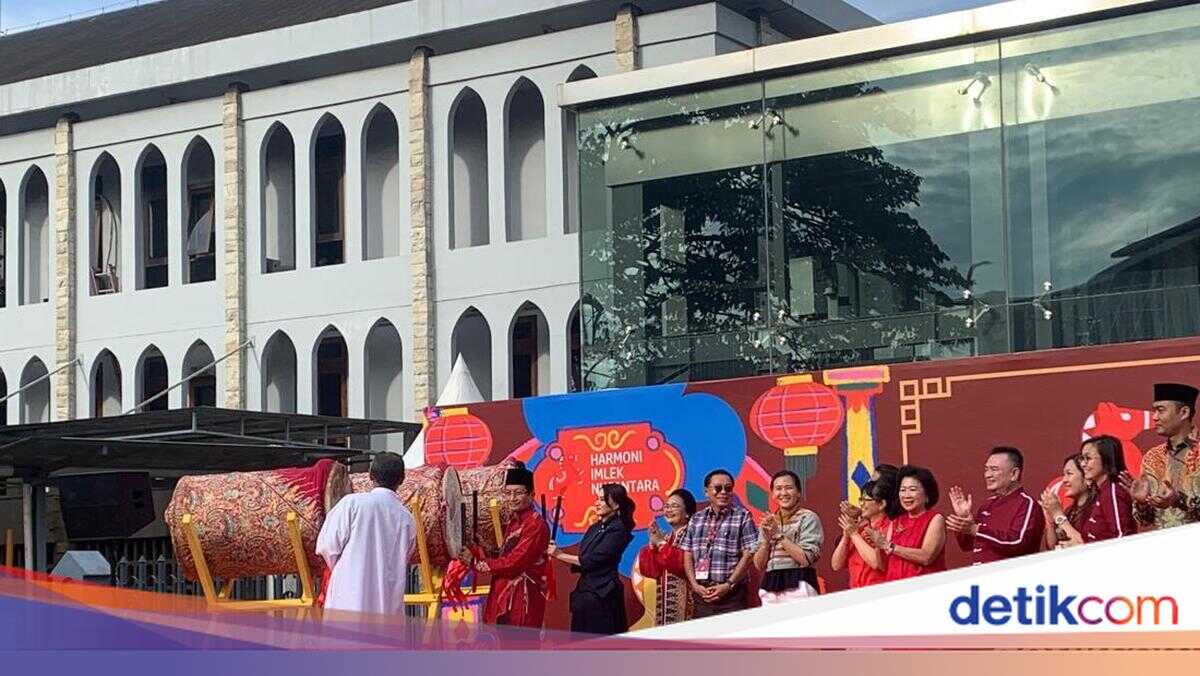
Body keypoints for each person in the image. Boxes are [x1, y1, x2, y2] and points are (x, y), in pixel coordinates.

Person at [316, 453, 415, 614]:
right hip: (387, 607)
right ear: (402, 480)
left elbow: (327, 546)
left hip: (347, 601)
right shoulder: (407, 519)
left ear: (371, 475)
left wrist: (348, 570)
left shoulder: (352, 503)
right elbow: (405, 557)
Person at [459, 461, 551, 628]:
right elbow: (504, 556)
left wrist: (476, 563)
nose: (512, 498)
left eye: (518, 493)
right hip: (504, 592)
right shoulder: (513, 522)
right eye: (508, 493)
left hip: (522, 597)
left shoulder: (535, 524)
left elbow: (514, 562)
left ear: (531, 495)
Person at [549, 483, 635, 635]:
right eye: (597, 498)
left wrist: (559, 555)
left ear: (615, 505)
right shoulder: (594, 528)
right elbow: (584, 557)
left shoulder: (618, 529)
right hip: (585, 591)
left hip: (603, 593)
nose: (597, 503)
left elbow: (591, 560)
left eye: (602, 499)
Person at [679, 469, 759, 618]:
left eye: (728, 488)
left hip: (732, 595)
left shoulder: (743, 516)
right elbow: (688, 553)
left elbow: (750, 553)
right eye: (718, 488)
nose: (723, 492)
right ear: (706, 492)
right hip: (701, 594)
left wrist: (728, 584)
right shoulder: (696, 519)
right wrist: (694, 585)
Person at [946, 447, 1044, 565]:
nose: (988, 475)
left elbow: (1017, 542)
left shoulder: (1027, 504)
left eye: (994, 469)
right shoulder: (987, 505)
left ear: (1014, 474)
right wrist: (964, 518)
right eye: (986, 469)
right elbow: (967, 545)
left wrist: (975, 529)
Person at [1123, 383, 1200, 530]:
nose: (1155, 417)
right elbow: (1145, 521)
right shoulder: (1152, 457)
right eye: (1154, 411)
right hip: (1163, 547)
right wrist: (1141, 503)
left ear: (1184, 412)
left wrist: (1179, 500)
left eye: (1161, 410)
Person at [752, 470, 824, 604]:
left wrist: (778, 535)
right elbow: (759, 565)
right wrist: (766, 542)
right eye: (778, 489)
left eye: (789, 488)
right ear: (773, 494)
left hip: (800, 584)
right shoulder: (769, 522)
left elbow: (806, 559)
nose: (783, 493)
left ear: (798, 492)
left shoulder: (808, 517)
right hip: (770, 586)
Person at [869, 465, 946, 582]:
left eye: (912, 489)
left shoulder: (935, 519)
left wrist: (889, 546)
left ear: (927, 494)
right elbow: (883, 566)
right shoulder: (895, 522)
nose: (906, 495)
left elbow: (927, 556)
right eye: (902, 490)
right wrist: (878, 546)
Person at [637, 488, 697, 626]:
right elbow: (651, 572)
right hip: (664, 612)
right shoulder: (667, 538)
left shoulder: (693, 535)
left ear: (687, 512)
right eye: (667, 506)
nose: (669, 510)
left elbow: (682, 566)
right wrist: (653, 544)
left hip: (689, 610)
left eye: (675, 506)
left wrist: (660, 543)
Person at [831, 478, 896, 588]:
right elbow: (836, 565)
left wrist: (854, 535)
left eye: (865, 500)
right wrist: (846, 536)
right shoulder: (860, 528)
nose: (861, 504)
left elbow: (876, 563)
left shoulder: (890, 527)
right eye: (860, 499)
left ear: (881, 504)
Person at [1073, 436, 1135, 542]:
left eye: (1088, 458)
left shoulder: (1113, 491)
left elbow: (1121, 536)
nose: (1083, 464)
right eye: (1082, 459)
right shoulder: (1101, 491)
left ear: (1106, 459)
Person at [1039, 454, 1094, 549]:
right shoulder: (1069, 511)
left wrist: (1058, 514)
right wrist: (1050, 520)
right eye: (1064, 475)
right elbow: (1052, 547)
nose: (1064, 480)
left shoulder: (1096, 507)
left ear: (1086, 477)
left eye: (1069, 474)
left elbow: (1087, 545)